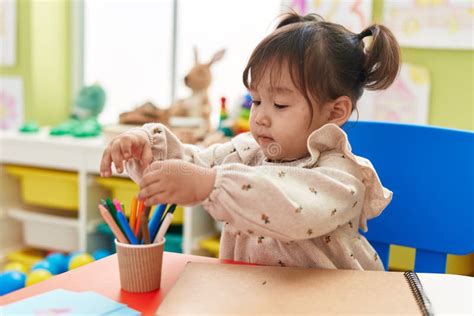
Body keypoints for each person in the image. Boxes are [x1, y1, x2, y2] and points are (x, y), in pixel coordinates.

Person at [100, 12, 400, 270]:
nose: (260, 118)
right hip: (251, 297)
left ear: (335, 111)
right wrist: (147, 149)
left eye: (280, 105)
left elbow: (292, 209)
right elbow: (194, 166)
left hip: (332, 304)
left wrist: (208, 183)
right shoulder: (248, 152)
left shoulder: (341, 176)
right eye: (256, 101)